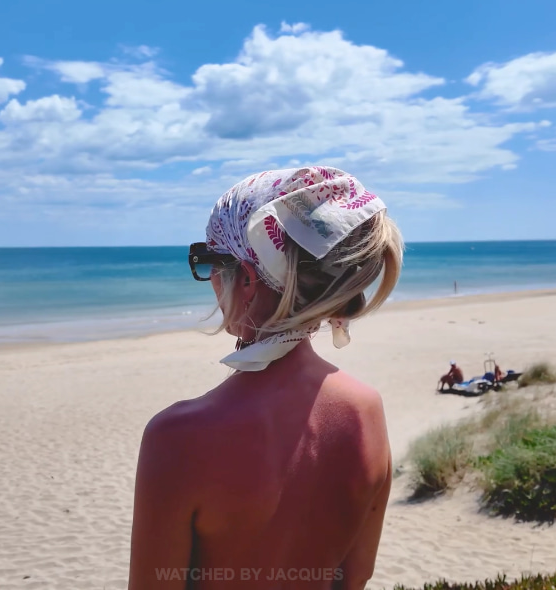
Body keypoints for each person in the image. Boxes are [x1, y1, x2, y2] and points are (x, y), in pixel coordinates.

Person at [128, 167, 403, 589]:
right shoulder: (366, 409)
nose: (211, 280)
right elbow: (355, 576)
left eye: (211, 262)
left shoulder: (177, 436)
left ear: (248, 279)